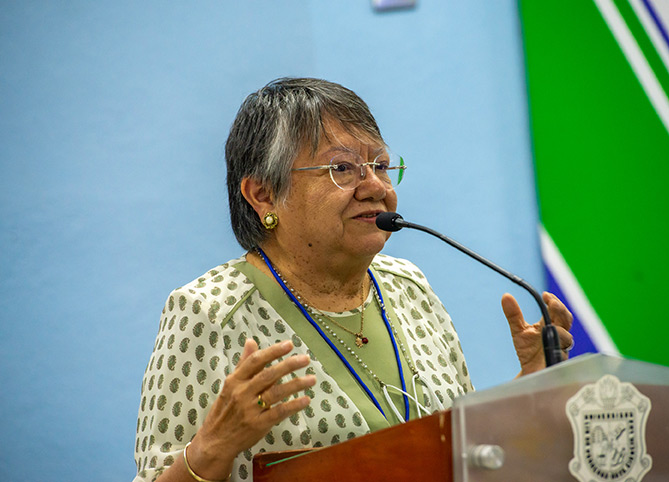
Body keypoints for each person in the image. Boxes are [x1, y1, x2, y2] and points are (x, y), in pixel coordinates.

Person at [132, 77, 574, 482]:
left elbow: (463, 453)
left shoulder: (409, 287)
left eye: (381, 166)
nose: (375, 186)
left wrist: (529, 386)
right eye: (342, 168)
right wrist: (213, 446)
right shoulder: (209, 311)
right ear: (263, 194)